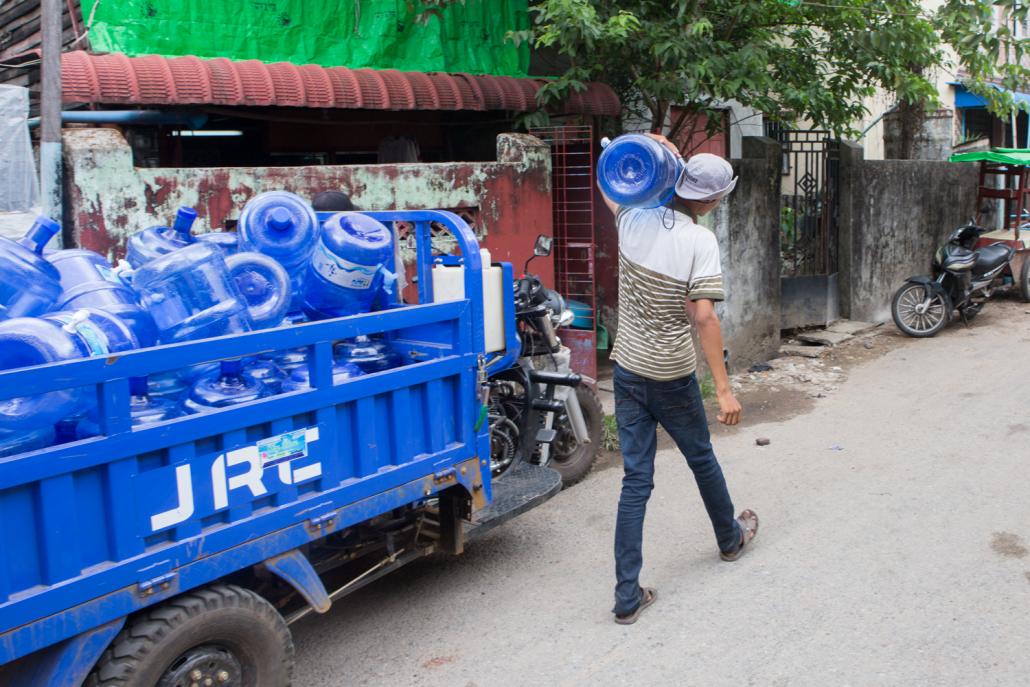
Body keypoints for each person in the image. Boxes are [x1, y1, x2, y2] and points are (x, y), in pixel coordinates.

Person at [598, 135, 759, 625]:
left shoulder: (631, 219)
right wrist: (725, 388)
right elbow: (704, 318)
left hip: (627, 369)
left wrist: (648, 145)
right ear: (711, 200)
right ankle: (729, 539)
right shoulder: (699, 240)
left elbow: (611, 177)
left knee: (636, 480)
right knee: (700, 456)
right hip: (670, 373)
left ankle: (627, 596)